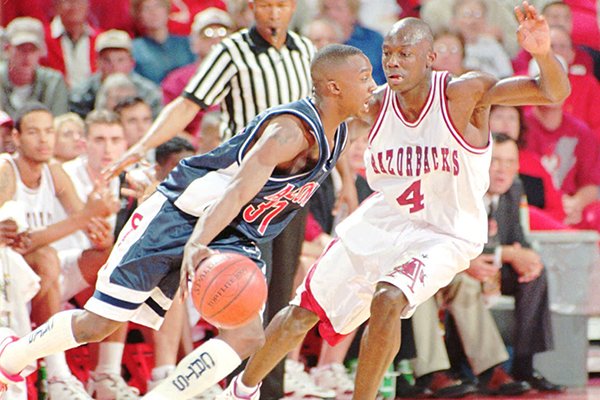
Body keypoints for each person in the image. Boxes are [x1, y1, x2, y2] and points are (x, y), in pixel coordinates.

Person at [216, 2, 571, 399]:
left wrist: (542, 53)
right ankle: (239, 390)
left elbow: (552, 90)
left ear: (430, 58)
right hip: (383, 221)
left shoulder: (464, 93)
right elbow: (313, 125)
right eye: (387, 53)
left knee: (388, 297)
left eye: (405, 53)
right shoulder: (373, 103)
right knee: (301, 313)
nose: (393, 62)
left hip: (445, 232)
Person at [0, 44, 376, 400]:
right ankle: (13, 356)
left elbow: (328, 153)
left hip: (233, 231)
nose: (372, 85)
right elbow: (236, 191)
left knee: (246, 336)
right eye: (364, 76)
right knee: (97, 324)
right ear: (333, 86)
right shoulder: (289, 133)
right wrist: (198, 242)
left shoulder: (337, 130)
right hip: (179, 216)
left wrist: (346, 186)